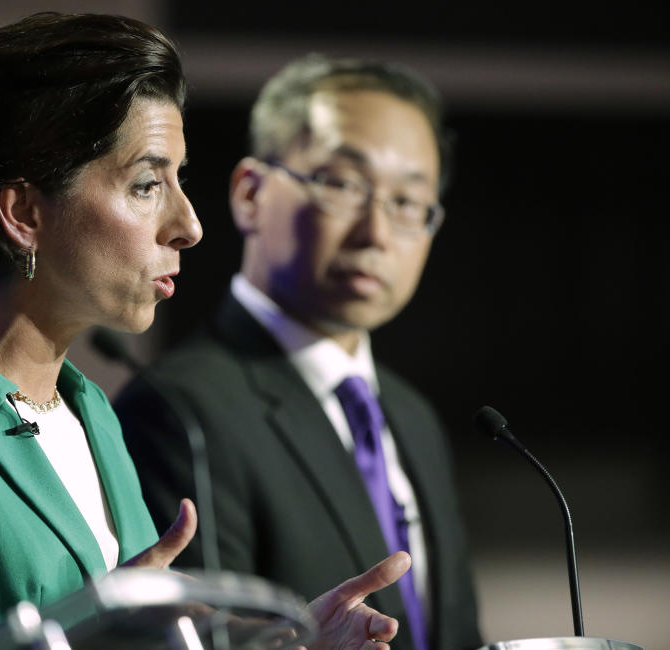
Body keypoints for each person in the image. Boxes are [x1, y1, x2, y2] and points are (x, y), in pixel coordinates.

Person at [0, 14, 411, 650]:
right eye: (146, 184)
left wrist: (286, 640)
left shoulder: (89, 410)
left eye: (179, 181)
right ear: (23, 212)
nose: (188, 225)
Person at [115, 55, 483, 650]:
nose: (377, 233)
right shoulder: (179, 410)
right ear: (251, 195)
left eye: (408, 202)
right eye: (342, 184)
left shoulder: (412, 415)